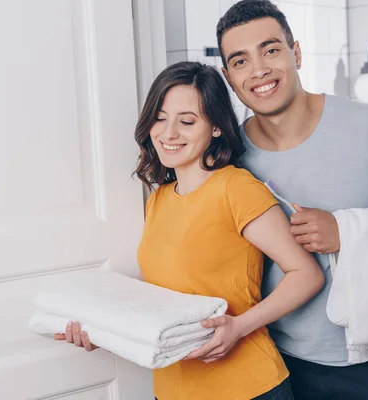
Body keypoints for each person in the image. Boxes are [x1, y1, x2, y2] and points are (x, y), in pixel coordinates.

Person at [54, 61, 324, 400]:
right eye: (160, 118)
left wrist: (239, 327)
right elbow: (161, 303)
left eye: (187, 121)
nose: (168, 133)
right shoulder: (159, 200)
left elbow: (306, 274)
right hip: (172, 389)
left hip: (246, 387)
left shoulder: (235, 188)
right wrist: (102, 330)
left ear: (214, 127)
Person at [215, 1, 368, 399]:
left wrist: (345, 231)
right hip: (275, 365)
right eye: (240, 61)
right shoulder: (228, 158)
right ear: (228, 77)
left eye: (271, 50)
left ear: (296, 53)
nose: (259, 70)